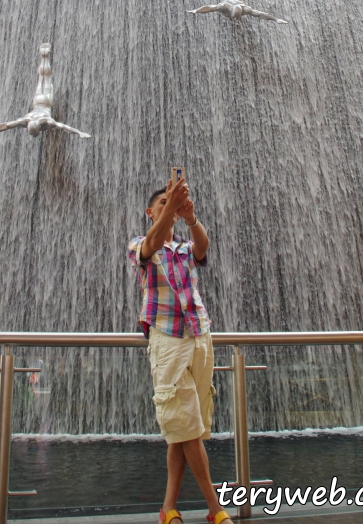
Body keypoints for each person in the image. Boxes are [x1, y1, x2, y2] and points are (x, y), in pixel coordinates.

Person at [128, 179, 231, 524]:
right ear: (150, 211)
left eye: (167, 202)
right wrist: (171, 209)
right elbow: (154, 241)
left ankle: (168, 507)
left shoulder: (185, 247)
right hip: (168, 340)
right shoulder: (140, 244)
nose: (165, 206)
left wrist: (189, 216)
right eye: (160, 203)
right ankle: (215, 508)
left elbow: (203, 247)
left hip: (199, 335)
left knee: (187, 428)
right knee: (185, 424)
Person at [0, 43, 91, 138]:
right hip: (37, 101)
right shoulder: (27, 120)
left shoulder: (42, 120)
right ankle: (44, 56)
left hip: (46, 102)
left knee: (46, 78)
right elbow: (4, 125)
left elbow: (5, 126)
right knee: (42, 78)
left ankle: (45, 57)